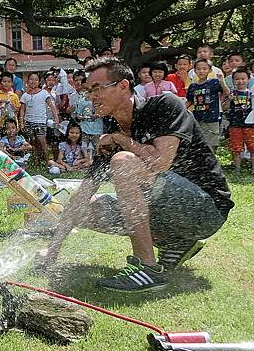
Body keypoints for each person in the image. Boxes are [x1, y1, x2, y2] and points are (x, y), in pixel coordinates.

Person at [42, 57, 234, 292]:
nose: (90, 96)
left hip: (206, 210)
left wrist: (121, 140)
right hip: (170, 212)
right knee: (87, 207)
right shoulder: (111, 131)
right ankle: (175, 242)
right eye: (87, 91)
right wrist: (52, 251)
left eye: (96, 89)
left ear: (123, 86)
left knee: (123, 162)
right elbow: (83, 194)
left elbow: (160, 162)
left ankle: (147, 268)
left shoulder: (164, 104)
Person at [186, 59, 230, 152]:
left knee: (212, 143)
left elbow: (226, 92)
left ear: (209, 70)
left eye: (204, 69)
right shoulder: (193, 86)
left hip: (212, 117)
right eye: (198, 69)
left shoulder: (213, 82)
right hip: (198, 117)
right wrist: (182, 109)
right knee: (199, 141)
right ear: (194, 70)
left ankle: (212, 161)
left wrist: (222, 81)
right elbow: (190, 101)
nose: (201, 71)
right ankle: (202, 162)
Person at [18, 72, 60, 170]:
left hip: (40, 121)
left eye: (36, 80)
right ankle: (36, 161)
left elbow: (52, 106)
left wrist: (56, 118)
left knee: (42, 142)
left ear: (39, 82)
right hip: (28, 121)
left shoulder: (44, 93)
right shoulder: (25, 95)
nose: (33, 81)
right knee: (33, 143)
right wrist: (21, 123)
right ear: (27, 81)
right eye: (31, 79)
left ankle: (47, 162)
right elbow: (22, 110)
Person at [227, 67, 254, 174]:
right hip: (235, 125)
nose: (240, 81)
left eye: (243, 78)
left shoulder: (251, 94)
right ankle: (237, 169)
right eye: (237, 79)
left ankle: (252, 169)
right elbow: (224, 108)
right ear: (233, 81)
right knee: (236, 149)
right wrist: (229, 99)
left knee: (252, 148)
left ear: (248, 79)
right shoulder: (232, 94)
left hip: (250, 125)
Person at [73, 82, 103, 160]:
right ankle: (86, 159)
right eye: (86, 91)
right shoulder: (81, 101)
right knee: (84, 144)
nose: (88, 94)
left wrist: (96, 115)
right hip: (85, 127)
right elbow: (78, 115)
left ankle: (96, 160)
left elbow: (102, 112)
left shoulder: (99, 100)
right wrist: (81, 117)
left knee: (96, 145)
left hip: (97, 128)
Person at [0, 71, 21, 144]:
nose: (6, 83)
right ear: (0, 82)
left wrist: (11, 105)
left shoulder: (14, 96)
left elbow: (17, 110)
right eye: (4, 81)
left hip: (11, 126)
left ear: (12, 83)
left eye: (9, 82)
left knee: (11, 145)